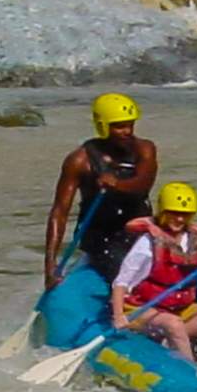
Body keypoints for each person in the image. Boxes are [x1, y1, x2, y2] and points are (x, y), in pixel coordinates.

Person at [110, 182, 197, 360]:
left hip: (181, 309)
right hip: (144, 311)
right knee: (173, 323)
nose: (180, 219)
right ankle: (191, 372)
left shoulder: (195, 238)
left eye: (185, 214)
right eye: (174, 213)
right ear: (163, 212)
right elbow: (121, 283)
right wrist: (119, 316)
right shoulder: (147, 243)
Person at [45, 93, 157, 289]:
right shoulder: (80, 161)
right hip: (102, 236)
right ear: (103, 127)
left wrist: (116, 184)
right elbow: (60, 212)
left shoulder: (145, 149)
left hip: (140, 228)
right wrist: (50, 263)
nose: (127, 131)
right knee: (128, 275)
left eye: (130, 125)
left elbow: (143, 184)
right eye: (119, 126)